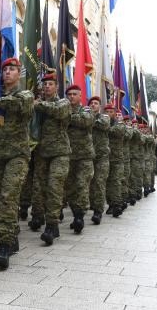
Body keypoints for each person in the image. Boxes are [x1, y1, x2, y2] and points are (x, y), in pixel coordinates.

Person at [0, 57, 33, 269]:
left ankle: (4, 244)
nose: (7, 72)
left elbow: (19, 105)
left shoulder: (24, 94)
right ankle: (11, 233)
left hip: (17, 155)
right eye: (4, 69)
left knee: (8, 196)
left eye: (12, 69)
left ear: (19, 73)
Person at [30, 73, 71, 245]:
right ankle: (40, 217)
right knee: (41, 189)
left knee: (54, 187)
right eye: (45, 84)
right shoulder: (36, 104)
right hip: (41, 152)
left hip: (59, 152)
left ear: (56, 87)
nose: (47, 86)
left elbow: (58, 112)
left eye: (50, 84)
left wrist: (38, 105)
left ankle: (52, 225)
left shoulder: (63, 102)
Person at [64, 85, 95, 234]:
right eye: (69, 94)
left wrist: (67, 117)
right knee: (70, 188)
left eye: (74, 94)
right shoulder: (63, 109)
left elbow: (86, 121)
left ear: (80, 96)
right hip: (68, 155)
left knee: (82, 186)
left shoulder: (86, 110)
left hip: (84, 156)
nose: (71, 97)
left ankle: (79, 216)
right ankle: (76, 212)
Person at [88, 96, 111, 225]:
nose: (93, 105)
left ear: (100, 106)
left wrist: (89, 118)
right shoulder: (85, 116)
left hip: (101, 156)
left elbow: (103, 125)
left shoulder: (104, 117)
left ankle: (98, 211)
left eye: (96, 103)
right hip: (88, 155)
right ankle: (90, 205)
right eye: (91, 103)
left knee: (99, 182)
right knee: (89, 184)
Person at [105, 107, 125, 217]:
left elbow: (118, 131)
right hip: (105, 157)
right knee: (107, 182)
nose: (108, 114)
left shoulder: (120, 124)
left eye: (111, 112)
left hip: (117, 158)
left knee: (116, 181)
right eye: (106, 112)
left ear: (114, 114)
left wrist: (105, 126)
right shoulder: (102, 123)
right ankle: (111, 204)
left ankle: (117, 204)